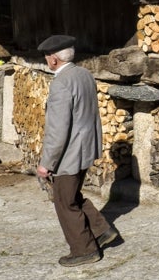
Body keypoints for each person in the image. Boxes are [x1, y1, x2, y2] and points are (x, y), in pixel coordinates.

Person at [35, 34, 118, 267]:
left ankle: (84, 250)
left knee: (64, 201)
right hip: (85, 148)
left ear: (53, 59)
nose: (45, 60)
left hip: (68, 153)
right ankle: (102, 231)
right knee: (71, 195)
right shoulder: (84, 74)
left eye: (46, 57)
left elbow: (58, 129)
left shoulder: (61, 82)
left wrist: (46, 163)